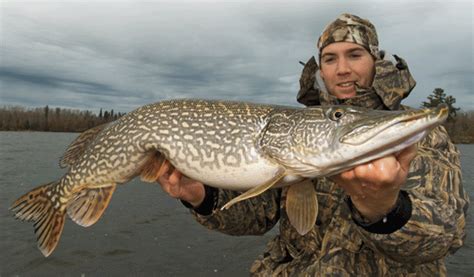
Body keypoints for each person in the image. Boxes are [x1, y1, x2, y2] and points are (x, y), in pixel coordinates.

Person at [158, 14, 469, 275]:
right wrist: (202, 196)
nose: (342, 69)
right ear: (320, 70)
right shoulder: (299, 133)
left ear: (377, 61)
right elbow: (257, 217)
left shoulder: (422, 138)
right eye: (330, 59)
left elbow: (446, 237)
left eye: (355, 55)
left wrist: (385, 209)